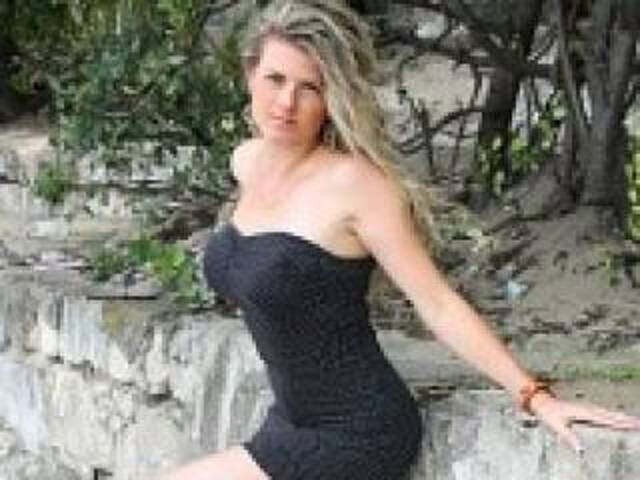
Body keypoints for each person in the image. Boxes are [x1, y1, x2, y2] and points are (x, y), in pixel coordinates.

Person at [162, 1, 640, 479]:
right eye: (275, 79)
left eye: (310, 87)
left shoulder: (360, 187)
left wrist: (535, 396)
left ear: (332, 98)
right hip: (288, 424)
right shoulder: (247, 162)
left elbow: (438, 304)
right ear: (249, 75)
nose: (287, 103)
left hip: (359, 432)